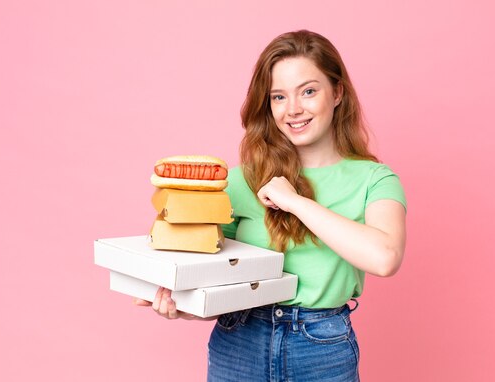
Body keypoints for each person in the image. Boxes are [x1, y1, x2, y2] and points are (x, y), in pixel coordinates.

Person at [135, 29, 407, 381]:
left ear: (337, 92)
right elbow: (216, 276)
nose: (293, 109)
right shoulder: (237, 182)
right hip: (239, 341)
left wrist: (295, 202)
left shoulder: (375, 179)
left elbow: (385, 258)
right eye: (279, 97)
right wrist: (183, 305)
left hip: (321, 348)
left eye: (308, 91)